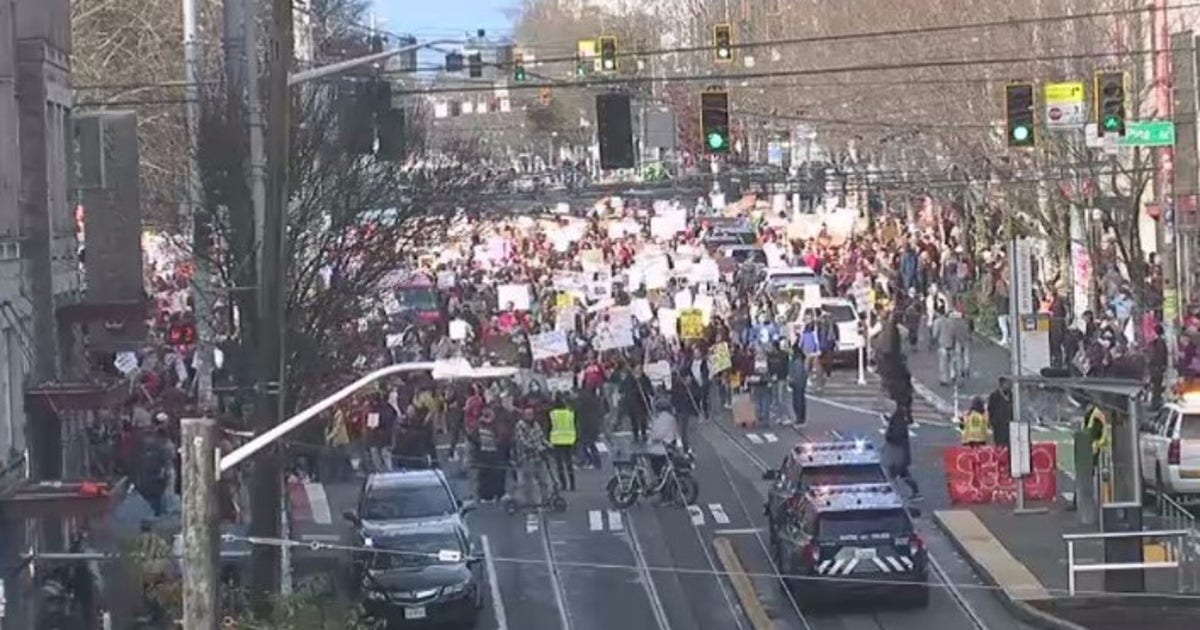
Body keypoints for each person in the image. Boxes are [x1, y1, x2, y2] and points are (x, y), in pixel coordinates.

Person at [513, 408, 551, 506]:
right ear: (524, 415)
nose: (530, 416)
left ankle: (545, 500)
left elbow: (541, 438)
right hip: (527, 457)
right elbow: (522, 441)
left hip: (539, 457)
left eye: (531, 414)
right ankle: (529, 502)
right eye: (528, 414)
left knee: (543, 480)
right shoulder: (520, 426)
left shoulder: (536, 425)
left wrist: (548, 445)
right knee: (528, 482)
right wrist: (535, 447)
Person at [882, 407, 922, 501]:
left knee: (895, 472)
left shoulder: (897, 421)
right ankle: (913, 491)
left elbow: (895, 436)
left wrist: (888, 436)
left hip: (897, 452)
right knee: (901, 472)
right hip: (899, 452)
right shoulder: (897, 419)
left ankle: (896, 493)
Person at [548, 394, 577, 492]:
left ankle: (563, 484)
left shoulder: (553, 414)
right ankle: (572, 484)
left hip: (557, 440)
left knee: (559, 464)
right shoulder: (570, 413)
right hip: (569, 439)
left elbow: (549, 427)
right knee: (569, 463)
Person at [788, 340, 808, 426]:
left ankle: (800, 419)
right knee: (799, 401)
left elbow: (798, 374)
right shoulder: (799, 360)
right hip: (799, 384)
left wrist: (793, 380)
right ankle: (800, 418)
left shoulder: (797, 361)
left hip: (798, 384)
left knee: (798, 401)